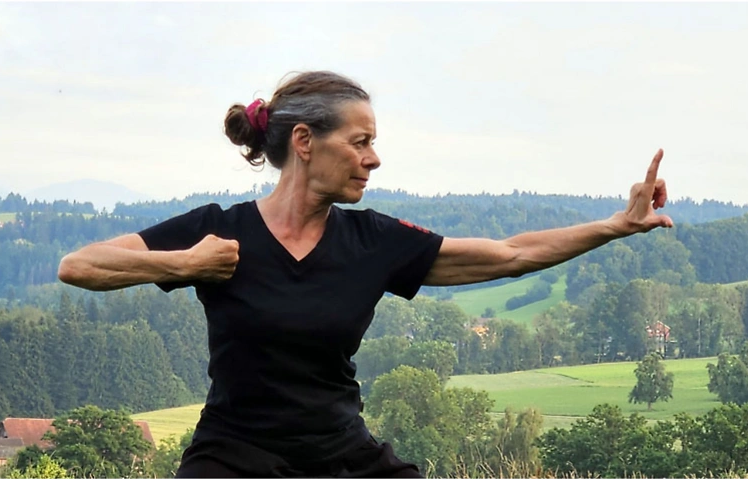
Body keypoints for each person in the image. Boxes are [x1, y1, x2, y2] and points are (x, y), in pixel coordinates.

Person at [58, 70, 673, 478]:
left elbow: (511, 253)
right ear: (305, 141)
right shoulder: (220, 230)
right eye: (360, 142)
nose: (374, 159)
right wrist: (185, 263)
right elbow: (79, 265)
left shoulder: (372, 241)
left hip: (343, 457)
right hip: (232, 458)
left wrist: (615, 225)